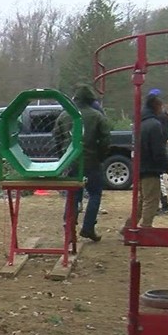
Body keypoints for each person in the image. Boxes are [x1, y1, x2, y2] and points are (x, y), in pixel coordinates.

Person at [55, 83, 111, 242]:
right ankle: (88, 227)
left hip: (71, 161)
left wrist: (62, 157)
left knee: (73, 195)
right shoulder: (97, 116)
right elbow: (106, 139)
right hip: (91, 161)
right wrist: (101, 156)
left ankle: (69, 227)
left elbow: (56, 136)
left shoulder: (64, 115)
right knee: (94, 194)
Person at [134, 91, 168, 228]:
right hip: (150, 168)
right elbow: (159, 151)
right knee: (151, 201)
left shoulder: (141, 123)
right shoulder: (154, 125)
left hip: (140, 166)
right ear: (156, 106)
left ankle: (128, 227)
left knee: (142, 200)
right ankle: (146, 228)